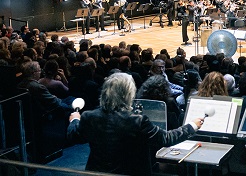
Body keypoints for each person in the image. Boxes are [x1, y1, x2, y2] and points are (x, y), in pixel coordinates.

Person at [68, 73, 203, 175]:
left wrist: (75, 119)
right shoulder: (137, 120)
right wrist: (191, 126)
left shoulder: (89, 116)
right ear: (128, 94)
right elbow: (166, 138)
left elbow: (74, 136)